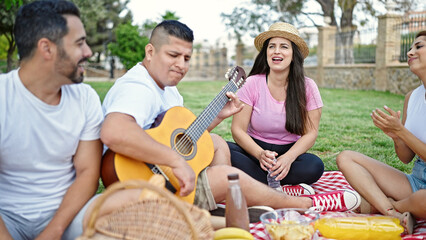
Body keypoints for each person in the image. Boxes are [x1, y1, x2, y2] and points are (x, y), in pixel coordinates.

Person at [99, 19, 361, 217]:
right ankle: (296, 203)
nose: (181, 64)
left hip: (161, 173)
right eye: (173, 55)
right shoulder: (138, 87)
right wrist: (174, 161)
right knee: (227, 173)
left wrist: (217, 117)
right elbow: (115, 132)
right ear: (150, 52)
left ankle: (221, 204)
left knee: (215, 142)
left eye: (187, 57)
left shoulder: (167, 89)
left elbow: (182, 136)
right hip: (148, 181)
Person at [0, 1, 103, 239]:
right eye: (79, 43)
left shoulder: (85, 98)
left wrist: (53, 231)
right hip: (6, 219)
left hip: (67, 216)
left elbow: (88, 172)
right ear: (47, 48)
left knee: (122, 205)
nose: (88, 52)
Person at [336, 30, 426, 234]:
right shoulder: (412, 97)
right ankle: (392, 212)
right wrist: (396, 137)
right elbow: (405, 158)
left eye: (419, 46)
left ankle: (392, 205)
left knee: (423, 200)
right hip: (417, 180)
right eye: (410, 47)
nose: (410, 52)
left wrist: (401, 131)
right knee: (346, 158)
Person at [227, 22, 324, 196]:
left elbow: (311, 133)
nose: (276, 51)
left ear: (294, 55)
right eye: (272, 46)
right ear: (266, 54)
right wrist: (260, 154)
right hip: (254, 153)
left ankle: (258, 184)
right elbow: (237, 129)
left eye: (284, 47)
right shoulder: (252, 83)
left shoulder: (308, 87)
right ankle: (276, 187)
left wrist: (288, 158)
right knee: (223, 151)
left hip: (288, 154)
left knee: (314, 166)